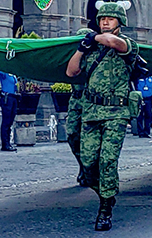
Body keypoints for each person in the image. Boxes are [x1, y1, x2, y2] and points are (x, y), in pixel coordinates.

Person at [66, 1, 137, 232]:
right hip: (91, 113)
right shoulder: (91, 50)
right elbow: (71, 71)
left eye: (111, 18)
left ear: (120, 23)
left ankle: (105, 208)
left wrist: (94, 37)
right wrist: (81, 48)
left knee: (107, 160)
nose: (105, 21)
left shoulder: (127, 45)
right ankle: (107, 193)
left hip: (116, 114)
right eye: (102, 18)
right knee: (88, 163)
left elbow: (113, 42)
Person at [67, 28, 92, 186]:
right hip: (76, 102)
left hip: (93, 103)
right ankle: (83, 166)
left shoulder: (98, 57)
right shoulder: (72, 56)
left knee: (91, 141)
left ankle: (90, 170)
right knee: (72, 136)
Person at [0, 71, 18, 151]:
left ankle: (8, 142)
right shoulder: (4, 73)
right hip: (7, 97)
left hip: (13, 97)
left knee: (10, 121)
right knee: (6, 122)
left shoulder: (12, 74)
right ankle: (5, 144)